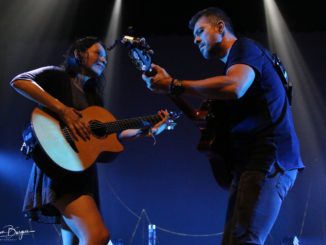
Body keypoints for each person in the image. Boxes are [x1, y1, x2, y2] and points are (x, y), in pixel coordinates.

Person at [142, 7, 305, 245]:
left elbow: (234, 87)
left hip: (270, 159)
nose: (195, 40)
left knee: (244, 240)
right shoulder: (236, 66)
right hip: (252, 164)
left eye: (200, 31)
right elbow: (202, 119)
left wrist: (175, 84)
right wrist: (169, 89)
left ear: (220, 27)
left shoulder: (245, 49)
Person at [10, 36, 169, 245]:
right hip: (58, 168)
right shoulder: (58, 76)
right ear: (79, 54)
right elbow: (19, 81)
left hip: (81, 173)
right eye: (98, 54)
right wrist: (63, 110)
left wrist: (147, 130)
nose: (104, 60)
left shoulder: (93, 99)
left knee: (75, 242)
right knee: (98, 236)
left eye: (106, 57)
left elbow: (113, 135)